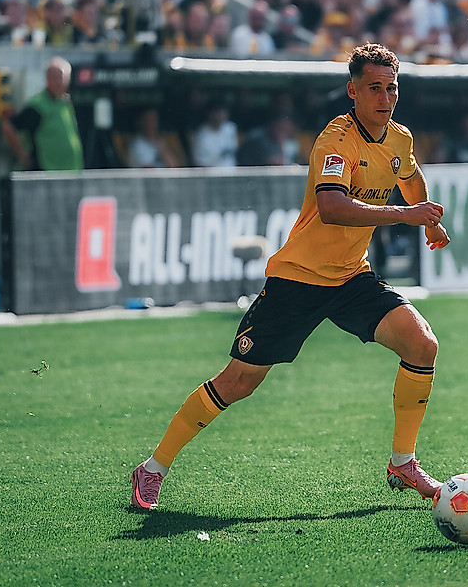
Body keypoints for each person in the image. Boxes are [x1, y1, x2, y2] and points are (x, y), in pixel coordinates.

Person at [131, 43, 451, 509]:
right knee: (239, 381)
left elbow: (411, 177)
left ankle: (403, 462)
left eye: (392, 87)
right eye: (374, 88)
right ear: (352, 91)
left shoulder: (399, 138)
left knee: (422, 344)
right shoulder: (335, 141)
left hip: (350, 279)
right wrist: (405, 215)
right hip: (298, 279)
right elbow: (332, 206)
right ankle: (153, 467)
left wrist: (430, 218)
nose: (385, 97)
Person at [2, 57, 83, 171]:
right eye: (58, 78)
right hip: (47, 173)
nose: (62, 82)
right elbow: (9, 127)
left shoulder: (65, 102)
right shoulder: (37, 106)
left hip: (70, 171)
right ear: (48, 79)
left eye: (65, 78)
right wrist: (23, 156)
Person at [192, 102, 238, 167]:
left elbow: (233, 152)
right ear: (209, 114)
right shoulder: (201, 135)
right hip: (211, 174)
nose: (220, 115)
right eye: (217, 112)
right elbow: (198, 162)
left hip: (231, 172)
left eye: (222, 112)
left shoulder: (230, 128)